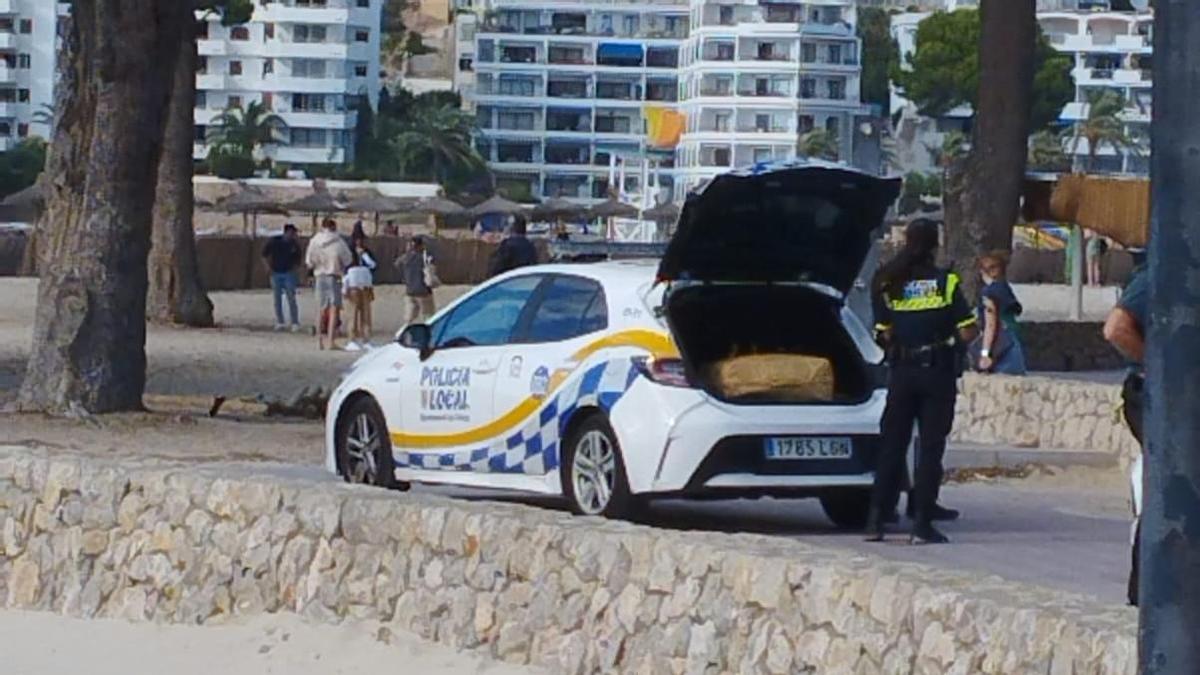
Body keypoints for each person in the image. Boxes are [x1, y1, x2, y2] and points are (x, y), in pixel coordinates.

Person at [866, 219, 979, 545]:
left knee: (892, 445)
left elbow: (882, 332)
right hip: (937, 372)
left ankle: (876, 521)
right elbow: (967, 329)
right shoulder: (946, 283)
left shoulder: (888, 281)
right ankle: (922, 523)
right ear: (934, 246)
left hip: (902, 372)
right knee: (930, 449)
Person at [1103, 251, 1147, 606]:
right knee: (1162, 494)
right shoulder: (1161, 273)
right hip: (1157, 394)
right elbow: (1116, 327)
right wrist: (1158, 363)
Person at [972, 251, 1027, 375]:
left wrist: (985, 353)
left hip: (999, 343)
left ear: (982, 272)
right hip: (1012, 339)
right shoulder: (1005, 288)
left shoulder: (988, 293)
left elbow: (990, 324)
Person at [305, 218, 353, 350]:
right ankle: (331, 340)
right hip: (334, 275)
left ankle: (319, 340)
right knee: (334, 310)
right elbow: (348, 259)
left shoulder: (314, 241)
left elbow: (309, 261)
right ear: (334, 227)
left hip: (319, 275)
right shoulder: (339, 241)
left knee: (321, 309)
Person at [261, 223, 302, 332]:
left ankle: (295, 322)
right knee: (277, 298)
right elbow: (264, 254)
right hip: (276, 273)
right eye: (292, 233)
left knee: (291, 298)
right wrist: (267, 267)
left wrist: (295, 270)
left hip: (288, 273)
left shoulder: (294, 245)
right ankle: (280, 321)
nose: (293, 235)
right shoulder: (274, 241)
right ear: (286, 232)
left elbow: (298, 260)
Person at [344, 232, 378, 351]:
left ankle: (367, 338)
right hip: (353, 285)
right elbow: (345, 269)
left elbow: (373, 265)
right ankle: (352, 339)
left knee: (366, 313)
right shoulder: (348, 253)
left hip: (365, 285)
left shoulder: (367, 252)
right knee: (352, 313)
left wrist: (364, 255)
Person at [395, 235, 438, 326]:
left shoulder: (406, 257)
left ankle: (404, 331)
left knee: (409, 318)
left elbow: (397, 264)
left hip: (410, 291)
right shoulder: (424, 257)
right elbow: (432, 264)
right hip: (423, 291)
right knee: (429, 316)